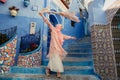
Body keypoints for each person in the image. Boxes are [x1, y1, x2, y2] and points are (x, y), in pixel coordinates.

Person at [39, 8, 76, 78]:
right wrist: (42, 15)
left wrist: (71, 37)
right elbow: (47, 22)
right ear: (57, 26)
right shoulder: (53, 29)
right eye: (60, 26)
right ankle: (57, 72)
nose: (61, 27)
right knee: (56, 60)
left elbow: (65, 36)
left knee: (55, 60)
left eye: (61, 26)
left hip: (58, 48)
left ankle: (48, 70)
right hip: (53, 48)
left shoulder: (60, 34)